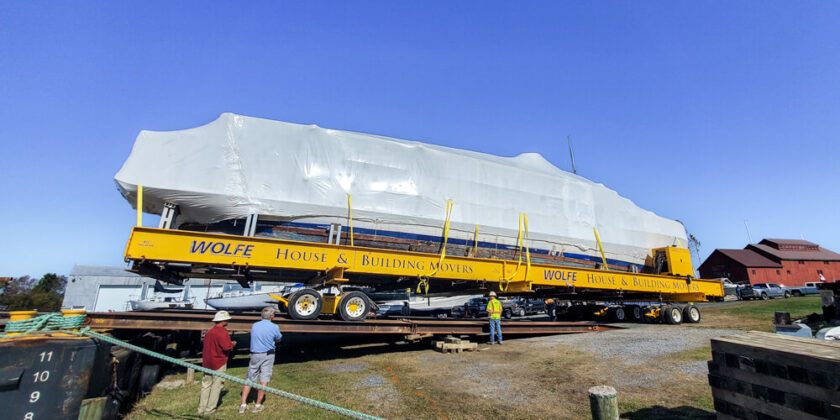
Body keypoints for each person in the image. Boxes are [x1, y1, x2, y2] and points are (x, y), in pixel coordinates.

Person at [239, 307, 283, 414]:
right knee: (264, 379)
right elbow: (278, 338)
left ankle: (243, 404)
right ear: (271, 316)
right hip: (268, 354)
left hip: (255, 354)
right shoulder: (274, 327)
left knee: (249, 378)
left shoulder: (255, 325)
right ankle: (257, 405)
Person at [198, 311, 235, 416]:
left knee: (205, 385)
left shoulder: (209, 332)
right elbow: (226, 347)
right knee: (216, 386)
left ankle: (201, 409)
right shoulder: (222, 332)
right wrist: (232, 344)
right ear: (223, 321)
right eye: (227, 319)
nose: (228, 321)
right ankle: (210, 410)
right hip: (218, 361)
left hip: (207, 362)